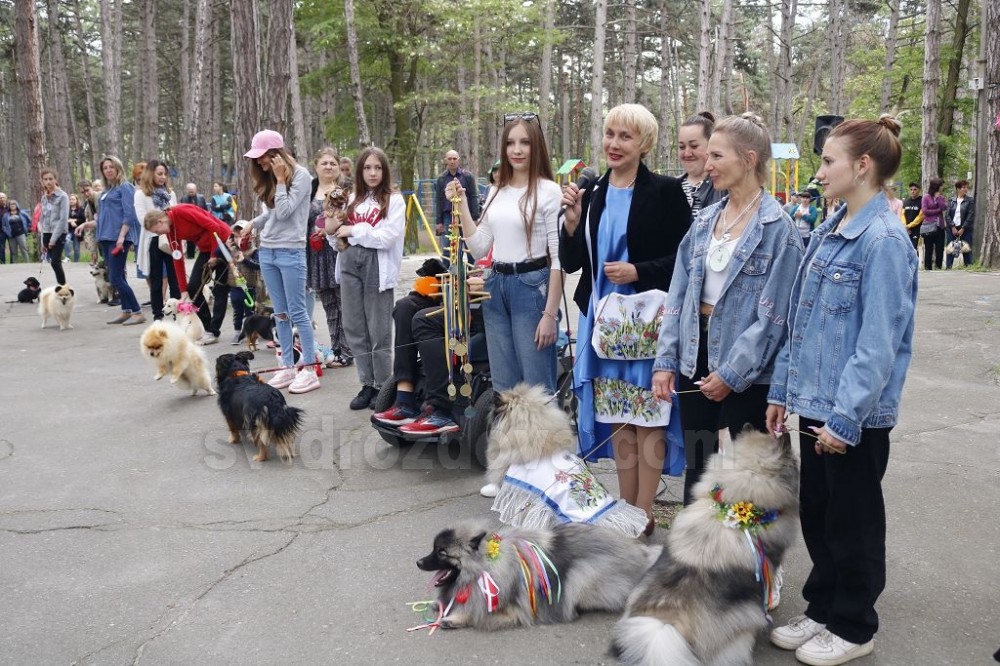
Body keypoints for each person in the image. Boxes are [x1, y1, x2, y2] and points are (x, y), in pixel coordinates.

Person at [766, 115, 917, 666]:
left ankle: (854, 624)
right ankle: (823, 608)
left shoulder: (883, 241)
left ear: (862, 166)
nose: (820, 170)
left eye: (829, 161)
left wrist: (844, 419)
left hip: (853, 414)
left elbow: (878, 345)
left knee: (853, 521)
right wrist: (783, 391)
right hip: (814, 402)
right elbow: (799, 325)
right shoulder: (831, 229)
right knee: (821, 512)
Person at [651, 112, 804, 506]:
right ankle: (694, 557)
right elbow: (678, 295)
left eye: (717, 156)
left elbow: (774, 317)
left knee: (747, 473)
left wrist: (732, 373)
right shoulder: (704, 221)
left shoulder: (779, 230)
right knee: (698, 464)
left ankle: (747, 562)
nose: (708, 164)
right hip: (695, 353)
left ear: (749, 159)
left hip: (749, 368)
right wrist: (666, 359)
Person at [559, 103, 693, 533]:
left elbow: (685, 259)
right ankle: (625, 508)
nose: (615, 144)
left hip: (648, 325)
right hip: (603, 325)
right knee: (619, 415)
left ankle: (645, 511)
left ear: (645, 144)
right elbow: (574, 261)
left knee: (649, 418)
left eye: (626, 137)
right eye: (610, 134)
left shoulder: (666, 191)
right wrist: (572, 223)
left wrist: (640, 271)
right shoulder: (593, 192)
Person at [447, 111, 563, 496]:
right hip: (496, 286)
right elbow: (479, 245)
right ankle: (511, 472)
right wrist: (461, 204)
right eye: (511, 142)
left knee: (537, 388)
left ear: (536, 146)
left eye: (524, 142)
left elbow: (558, 260)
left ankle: (547, 476)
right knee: (504, 388)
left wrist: (550, 314)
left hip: (533, 287)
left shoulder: (548, 191)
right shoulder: (495, 191)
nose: (517, 149)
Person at [328, 146, 406, 409]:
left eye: (378, 167)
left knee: (379, 329)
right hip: (349, 263)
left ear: (385, 171)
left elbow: (386, 238)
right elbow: (334, 236)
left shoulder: (394, 200)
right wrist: (332, 230)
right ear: (360, 171)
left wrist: (352, 230)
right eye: (367, 168)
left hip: (377, 265)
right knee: (354, 326)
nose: (373, 173)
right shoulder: (350, 199)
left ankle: (383, 387)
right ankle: (366, 384)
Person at [245, 129, 320, 394]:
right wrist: (251, 225)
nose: (260, 163)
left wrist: (279, 180)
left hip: (291, 251)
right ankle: (287, 366)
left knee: (298, 313)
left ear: (276, 154)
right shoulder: (270, 179)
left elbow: (287, 211)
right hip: (268, 251)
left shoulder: (301, 176)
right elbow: (273, 214)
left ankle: (309, 369)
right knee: (281, 313)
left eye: (262, 157)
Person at [143, 205, 233, 342]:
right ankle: (207, 327)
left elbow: (214, 226)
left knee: (220, 289)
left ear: (160, 222)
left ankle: (213, 331)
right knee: (193, 287)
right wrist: (183, 290)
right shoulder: (170, 232)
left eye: (157, 231)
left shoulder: (182, 212)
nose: (158, 234)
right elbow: (177, 259)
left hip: (223, 241)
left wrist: (214, 254)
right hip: (205, 247)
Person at [307, 146, 352, 365]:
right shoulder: (308, 192)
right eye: (324, 163)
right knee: (329, 307)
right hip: (317, 256)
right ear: (316, 166)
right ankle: (335, 348)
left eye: (332, 163)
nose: (328, 167)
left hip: (340, 252)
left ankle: (349, 350)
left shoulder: (347, 191)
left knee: (345, 305)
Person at [96, 155, 144, 324]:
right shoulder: (107, 190)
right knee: (118, 277)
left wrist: (122, 236)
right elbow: (105, 215)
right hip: (106, 237)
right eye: (105, 168)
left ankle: (137, 312)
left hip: (119, 238)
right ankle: (126, 311)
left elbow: (129, 214)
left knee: (116, 277)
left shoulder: (125, 187)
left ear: (118, 168)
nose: (108, 170)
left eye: (111, 167)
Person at [134, 160, 182, 321]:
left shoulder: (170, 194)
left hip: (170, 239)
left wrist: (166, 220)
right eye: (159, 174)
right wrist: (162, 220)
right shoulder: (141, 194)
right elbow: (143, 220)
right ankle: (157, 317)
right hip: (152, 241)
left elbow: (175, 216)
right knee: (155, 281)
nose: (163, 177)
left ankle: (178, 314)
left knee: (175, 279)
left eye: (164, 174)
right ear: (151, 174)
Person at [677, 111, 723, 217]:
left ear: (711, 145)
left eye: (694, 146)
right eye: (681, 147)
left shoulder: (724, 189)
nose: (687, 153)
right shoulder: (670, 188)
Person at [435, 150, 480, 252]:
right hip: (448, 217)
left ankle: (471, 268)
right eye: (449, 159)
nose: (452, 161)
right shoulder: (441, 179)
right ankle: (449, 268)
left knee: (470, 246)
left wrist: (475, 218)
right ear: (446, 160)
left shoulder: (468, 176)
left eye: (454, 159)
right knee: (449, 249)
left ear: (458, 160)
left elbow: (473, 197)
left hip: (466, 216)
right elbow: (438, 200)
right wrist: (439, 221)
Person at [37, 168, 71, 285]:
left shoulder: (63, 196)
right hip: (46, 232)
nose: (48, 182)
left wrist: (53, 239)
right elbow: (42, 219)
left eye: (51, 179)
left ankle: (63, 287)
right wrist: (43, 242)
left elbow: (63, 220)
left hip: (59, 233)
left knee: (55, 262)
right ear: (42, 181)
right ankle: (61, 286)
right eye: (45, 179)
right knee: (51, 261)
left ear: (56, 180)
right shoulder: (44, 197)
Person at [919, 176, 947, 270]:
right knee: (928, 249)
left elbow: (944, 207)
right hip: (929, 226)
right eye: (941, 186)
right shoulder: (926, 197)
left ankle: (939, 267)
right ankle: (928, 268)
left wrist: (938, 198)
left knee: (940, 249)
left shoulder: (941, 197)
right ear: (936, 186)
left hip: (940, 227)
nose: (942, 187)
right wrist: (937, 210)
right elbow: (925, 211)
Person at [945, 179, 974, 268]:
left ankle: (968, 267)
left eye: (966, 187)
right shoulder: (951, 200)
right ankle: (948, 267)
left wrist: (963, 228)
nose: (966, 189)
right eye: (963, 187)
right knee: (950, 249)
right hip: (952, 229)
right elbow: (947, 215)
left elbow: (971, 215)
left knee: (966, 249)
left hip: (965, 229)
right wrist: (953, 227)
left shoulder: (970, 200)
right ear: (958, 189)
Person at [78, 180, 99, 266]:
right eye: (83, 192)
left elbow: (102, 220)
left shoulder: (100, 198)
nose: (86, 194)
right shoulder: (88, 204)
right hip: (97, 233)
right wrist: (93, 250)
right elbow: (90, 224)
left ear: (92, 188)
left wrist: (84, 225)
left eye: (87, 190)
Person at [901, 182, 923, 252]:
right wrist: (905, 226)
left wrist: (909, 226)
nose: (912, 191)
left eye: (915, 189)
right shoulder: (906, 201)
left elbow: (920, 216)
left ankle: (915, 263)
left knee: (914, 249)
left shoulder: (922, 201)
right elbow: (902, 215)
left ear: (919, 190)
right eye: (911, 189)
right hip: (906, 230)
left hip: (917, 230)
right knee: (905, 249)